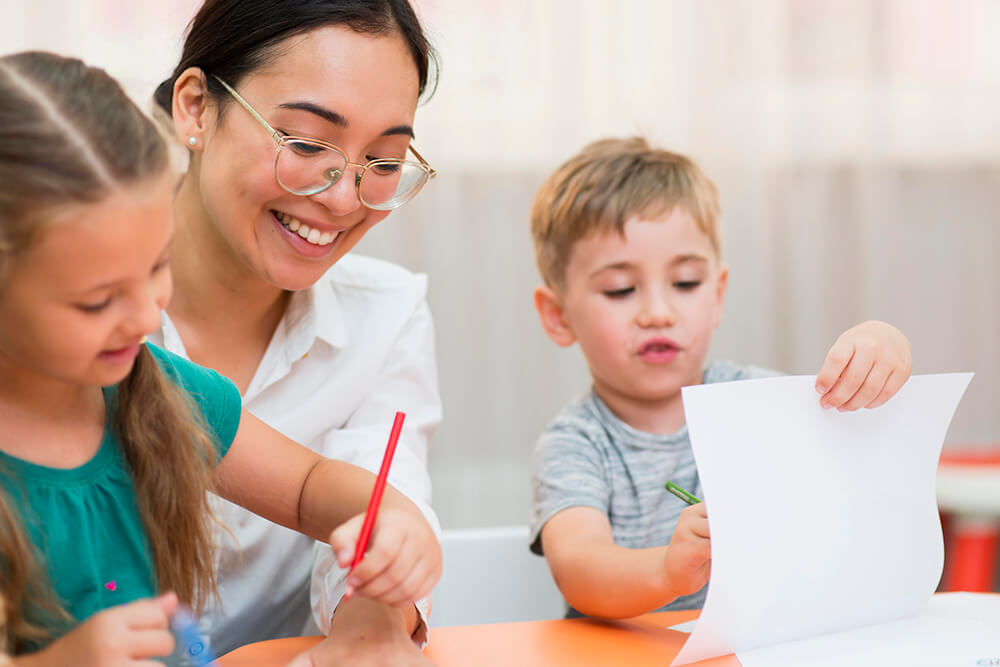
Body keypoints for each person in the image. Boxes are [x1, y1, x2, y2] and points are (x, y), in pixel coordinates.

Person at [0, 51, 440, 664]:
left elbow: (310, 485)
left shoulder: (153, 387)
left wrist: (389, 517)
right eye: (98, 299)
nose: (144, 314)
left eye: (156, 266)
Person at [149, 0, 443, 661]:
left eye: (386, 159)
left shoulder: (386, 315)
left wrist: (373, 616)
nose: (345, 199)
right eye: (308, 143)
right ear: (196, 107)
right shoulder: (89, 329)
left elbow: (351, 498)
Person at [527, 137, 913, 619]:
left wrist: (881, 347)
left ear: (718, 294)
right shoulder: (574, 444)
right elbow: (580, 567)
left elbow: (855, 461)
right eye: (620, 289)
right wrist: (666, 572)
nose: (658, 313)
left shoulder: (754, 400)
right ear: (558, 315)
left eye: (685, 283)